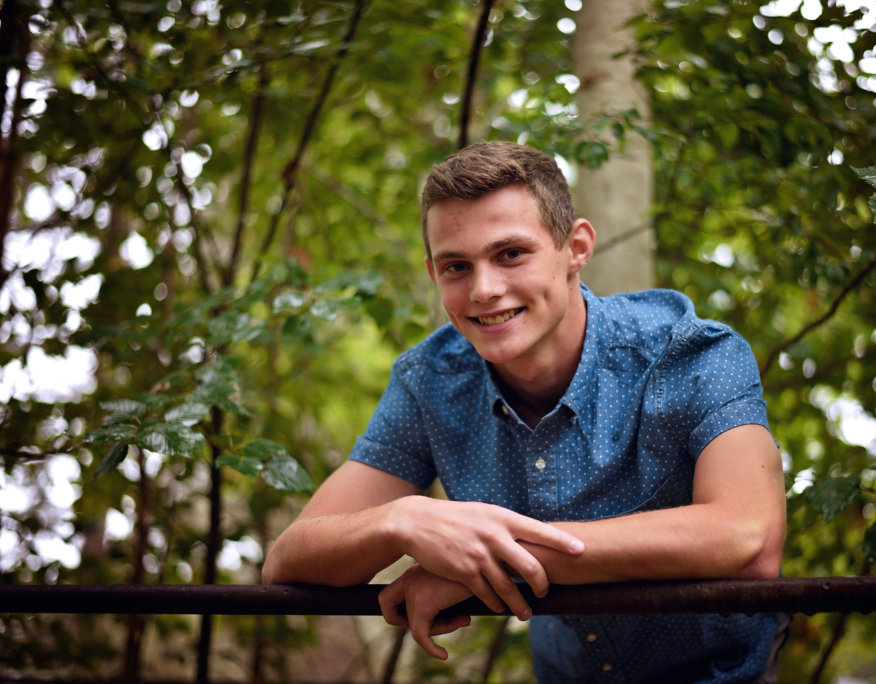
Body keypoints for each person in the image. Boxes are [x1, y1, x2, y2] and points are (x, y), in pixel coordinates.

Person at [262, 141, 787, 683]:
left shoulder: (690, 352)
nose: (484, 290)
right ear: (433, 274)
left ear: (576, 248)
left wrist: (488, 560)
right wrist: (403, 521)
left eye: (511, 254)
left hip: (723, 674)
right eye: (456, 266)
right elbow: (288, 560)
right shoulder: (430, 381)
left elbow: (748, 539)